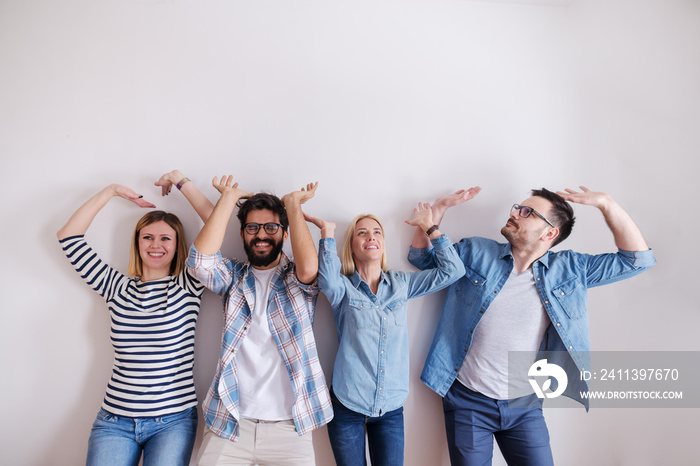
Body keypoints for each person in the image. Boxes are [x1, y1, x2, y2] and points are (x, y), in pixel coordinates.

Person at [408, 186, 656, 465]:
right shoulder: (475, 251)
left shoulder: (571, 269)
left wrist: (607, 204)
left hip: (525, 404)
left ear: (549, 233)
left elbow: (638, 260)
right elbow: (423, 259)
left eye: (528, 212)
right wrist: (437, 211)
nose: (515, 213)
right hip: (468, 400)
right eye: (517, 207)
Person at [57, 170, 214, 466]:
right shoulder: (116, 286)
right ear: (138, 243)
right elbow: (68, 237)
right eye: (148, 237)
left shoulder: (188, 284)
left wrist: (181, 180)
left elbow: (216, 222)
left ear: (177, 245)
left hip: (173, 421)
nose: (156, 245)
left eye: (165, 238)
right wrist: (110, 191)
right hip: (114, 420)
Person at [304, 203, 465, 466]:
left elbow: (453, 271)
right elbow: (328, 281)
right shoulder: (344, 289)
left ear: (383, 243)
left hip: (390, 408)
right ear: (352, 246)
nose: (371, 237)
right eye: (362, 233)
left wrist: (430, 227)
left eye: (377, 232)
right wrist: (327, 234)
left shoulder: (401, 284)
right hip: (347, 406)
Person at [187, 176, 332, 466]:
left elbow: (309, 268)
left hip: (291, 426)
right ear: (242, 234)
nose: (261, 234)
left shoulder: (296, 279)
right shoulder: (233, 277)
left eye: (271, 227)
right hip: (230, 421)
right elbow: (200, 262)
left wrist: (291, 204)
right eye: (252, 227)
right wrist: (228, 198)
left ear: (285, 234)